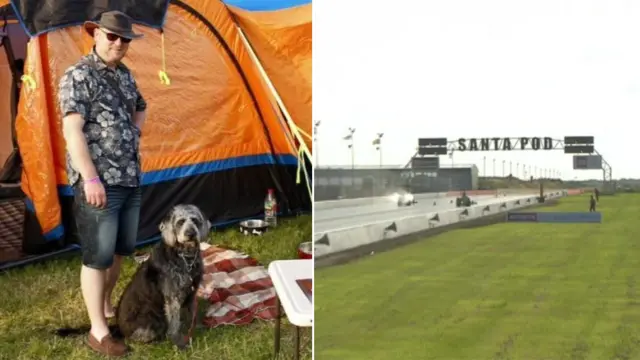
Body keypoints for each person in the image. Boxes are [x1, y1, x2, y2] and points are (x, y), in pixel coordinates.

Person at [58, 10, 146, 357]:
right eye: (112, 36)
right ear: (95, 34)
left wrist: (134, 132)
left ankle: (107, 306)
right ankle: (98, 331)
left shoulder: (124, 76)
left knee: (121, 250)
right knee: (97, 256)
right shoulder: (79, 75)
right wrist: (91, 178)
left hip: (129, 178)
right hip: (99, 183)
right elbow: (71, 131)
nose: (119, 44)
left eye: (125, 39)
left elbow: (141, 105)